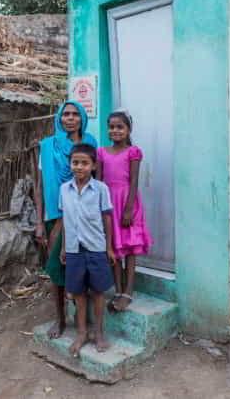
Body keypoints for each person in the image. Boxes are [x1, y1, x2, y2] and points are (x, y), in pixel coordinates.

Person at [34, 101, 97, 339]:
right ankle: (60, 320)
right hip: (55, 217)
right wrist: (40, 221)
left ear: (82, 118)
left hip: (84, 217)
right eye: (65, 114)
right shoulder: (48, 146)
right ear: (59, 118)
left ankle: (87, 321)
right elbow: (39, 186)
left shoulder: (89, 143)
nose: (70, 118)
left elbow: (96, 181)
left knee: (85, 268)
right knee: (57, 270)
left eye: (75, 114)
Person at [59, 143, 115, 357]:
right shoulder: (64, 190)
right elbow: (65, 219)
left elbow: (107, 218)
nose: (79, 167)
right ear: (70, 164)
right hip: (74, 249)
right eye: (75, 162)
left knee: (98, 293)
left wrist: (109, 247)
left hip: (96, 247)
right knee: (79, 294)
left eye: (84, 163)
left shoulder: (101, 189)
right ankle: (82, 333)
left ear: (93, 165)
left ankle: (98, 333)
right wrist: (64, 247)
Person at [97, 109, 152, 312]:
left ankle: (128, 292)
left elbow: (134, 181)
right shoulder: (101, 152)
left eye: (120, 127)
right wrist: (100, 209)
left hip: (128, 205)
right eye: (112, 127)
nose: (115, 130)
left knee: (129, 250)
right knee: (113, 249)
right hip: (109, 205)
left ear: (128, 130)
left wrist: (129, 209)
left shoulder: (133, 152)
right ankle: (118, 290)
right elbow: (100, 182)